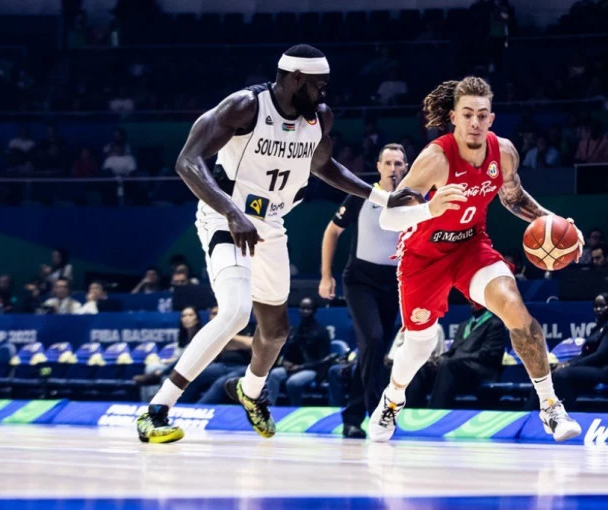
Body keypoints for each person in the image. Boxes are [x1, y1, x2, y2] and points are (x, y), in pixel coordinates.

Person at [136, 44, 421, 443]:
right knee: (235, 312)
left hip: (270, 223)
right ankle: (157, 410)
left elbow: (324, 167)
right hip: (225, 216)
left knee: (275, 330)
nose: (324, 91)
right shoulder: (245, 106)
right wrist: (232, 212)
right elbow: (187, 161)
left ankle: (251, 391)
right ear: (296, 79)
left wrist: (383, 197)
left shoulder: (319, 117)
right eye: (319, 84)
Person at [373, 77, 584, 443]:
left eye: (482, 115)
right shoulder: (436, 159)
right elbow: (388, 218)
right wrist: (429, 209)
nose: (475, 122)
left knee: (515, 308)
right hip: (424, 256)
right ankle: (392, 399)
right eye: (467, 114)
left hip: (471, 246)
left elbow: (513, 197)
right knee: (420, 345)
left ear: (491, 118)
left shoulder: (503, 152)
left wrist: (557, 223)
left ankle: (550, 405)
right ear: (453, 117)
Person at [318, 143, 408, 438]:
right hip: (360, 281)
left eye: (398, 163)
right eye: (388, 163)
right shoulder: (361, 195)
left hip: (393, 283)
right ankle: (377, 413)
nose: (393, 169)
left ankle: (352, 418)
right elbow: (332, 231)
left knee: (373, 350)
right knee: (374, 339)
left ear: (406, 168)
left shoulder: (413, 200)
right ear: (378, 166)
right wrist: (326, 276)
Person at [530, 292, 608, 408]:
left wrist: (567, 366)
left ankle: (568, 413)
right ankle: (530, 412)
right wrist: (565, 363)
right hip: (596, 368)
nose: (598, 309)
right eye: (596, 306)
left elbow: (600, 356)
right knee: (546, 376)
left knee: (562, 375)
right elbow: (584, 355)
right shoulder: (597, 328)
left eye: (603, 306)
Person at [405, 306, 505, 409]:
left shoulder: (495, 324)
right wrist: (438, 360)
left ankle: (435, 411)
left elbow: (489, 354)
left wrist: (456, 359)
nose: (473, 304)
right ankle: (410, 411)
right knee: (422, 368)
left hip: (478, 372)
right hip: (456, 369)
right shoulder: (464, 325)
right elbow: (453, 351)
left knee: (448, 364)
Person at [266, 297, 331, 406]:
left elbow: (323, 360)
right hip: (294, 367)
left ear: (314, 311)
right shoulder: (295, 331)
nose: (305, 311)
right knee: (275, 374)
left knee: (293, 382)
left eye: (308, 309)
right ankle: (269, 407)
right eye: (302, 308)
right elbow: (287, 351)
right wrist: (286, 362)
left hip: (312, 369)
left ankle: (295, 408)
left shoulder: (321, 332)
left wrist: (300, 367)